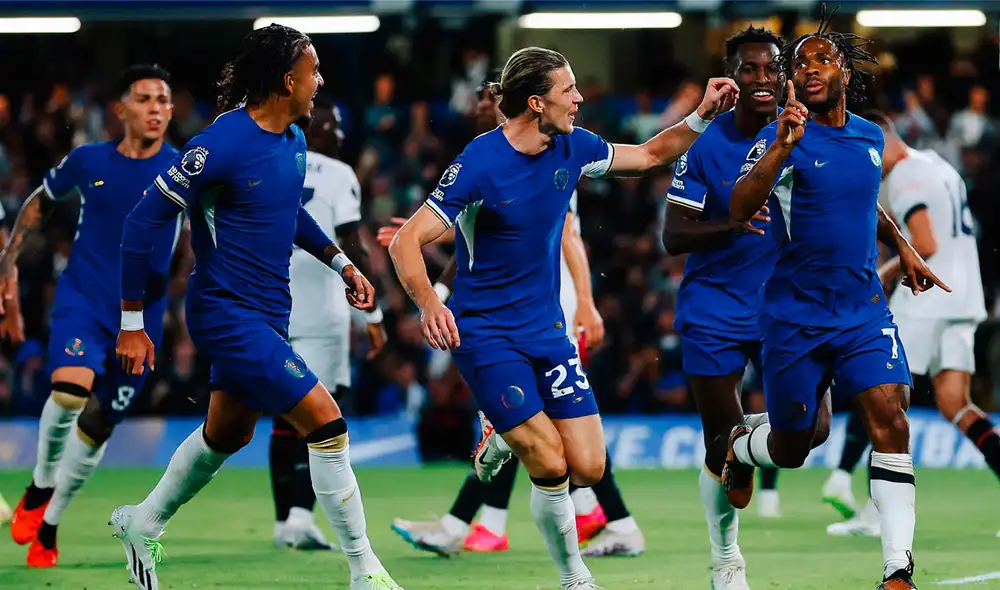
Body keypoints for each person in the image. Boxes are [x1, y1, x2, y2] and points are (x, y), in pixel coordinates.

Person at [388, 46, 737, 589]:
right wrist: (430, 303)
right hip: (484, 333)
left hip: (547, 331)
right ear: (536, 102)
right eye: (568, 89)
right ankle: (574, 576)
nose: (579, 98)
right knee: (550, 464)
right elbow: (407, 241)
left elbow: (647, 155)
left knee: (590, 467)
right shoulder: (479, 162)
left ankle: (502, 437)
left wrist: (701, 115)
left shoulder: (574, 147)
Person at [112, 25, 401, 590]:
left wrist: (342, 263)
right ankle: (364, 569)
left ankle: (143, 520)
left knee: (229, 434)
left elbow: (289, 213)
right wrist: (131, 323)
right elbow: (140, 223)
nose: (319, 81)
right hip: (225, 311)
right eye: (313, 70)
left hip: (271, 312)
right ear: (288, 78)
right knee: (327, 423)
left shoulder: (293, 139)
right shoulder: (220, 144)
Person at [722, 9, 947, 588]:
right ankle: (742, 447)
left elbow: (866, 202)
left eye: (822, 60)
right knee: (798, 444)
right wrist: (779, 146)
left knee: (890, 417)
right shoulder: (784, 136)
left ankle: (898, 568)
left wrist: (905, 247)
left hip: (861, 312)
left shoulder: (870, 137)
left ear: (844, 69)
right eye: (801, 64)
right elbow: (739, 207)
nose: (810, 70)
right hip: (795, 318)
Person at [384, 81, 643, 558]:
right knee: (535, 437)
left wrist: (585, 301)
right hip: (503, 318)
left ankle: (601, 520)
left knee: (552, 439)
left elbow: (568, 237)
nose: (483, 109)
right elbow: (479, 244)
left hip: (553, 311)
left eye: (489, 101)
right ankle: (484, 522)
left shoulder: (561, 154)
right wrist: (434, 285)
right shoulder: (484, 164)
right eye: (481, 103)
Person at [663, 25, 833, 588]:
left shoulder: (807, 133)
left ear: (784, 74)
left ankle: (742, 438)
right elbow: (673, 234)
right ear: (731, 77)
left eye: (770, 69)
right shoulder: (708, 144)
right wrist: (730, 223)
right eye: (749, 69)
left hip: (785, 307)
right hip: (714, 309)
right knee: (720, 449)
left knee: (814, 431)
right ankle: (727, 560)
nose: (762, 79)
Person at [3, 64, 181, 568]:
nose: (155, 109)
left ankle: (51, 521)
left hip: (144, 317)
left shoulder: (186, 167)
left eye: (163, 100)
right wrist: (8, 261)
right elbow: (40, 202)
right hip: (84, 297)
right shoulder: (87, 160)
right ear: (120, 109)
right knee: (69, 390)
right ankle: (39, 488)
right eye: (144, 99)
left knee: (98, 425)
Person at [824, 110, 992, 537]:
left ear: (883, 141)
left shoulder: (903, 177)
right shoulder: (939, 165)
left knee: (880, 392)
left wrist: (882, 276)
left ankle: (874, 513)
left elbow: (926, 241)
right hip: (965, 293)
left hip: (926, 297)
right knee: (957, 405)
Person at [270, 95, 386, 551]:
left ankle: (284, 521)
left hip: (274, 304)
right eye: (333, 125)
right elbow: (352, 239)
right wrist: (373, 312)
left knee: (283, 417)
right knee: (323, 416)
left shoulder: (277, 161)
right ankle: (300, 518)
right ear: (314, 128)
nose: (339, 134)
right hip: (322, 310)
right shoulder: (340, 174)